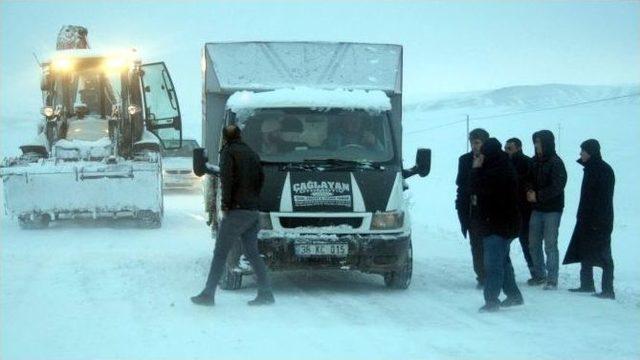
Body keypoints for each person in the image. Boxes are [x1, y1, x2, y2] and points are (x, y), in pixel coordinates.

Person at [191, 125, 275, 306]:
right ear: (240, 135)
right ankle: (266, 292)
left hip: (237, 211)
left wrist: (226, 205)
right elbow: (260, 179)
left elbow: (227, 180)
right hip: (253, 210)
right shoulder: (251, 153)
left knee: (220, 253)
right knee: (252, 253)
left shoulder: (229, 152)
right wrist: (252, 200)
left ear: (225, 138)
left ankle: (208, 294)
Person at [470, 138, 523, 312]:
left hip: (497, 225)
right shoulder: (502, 165)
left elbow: (481, 191)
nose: (480, 156)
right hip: (503, 224)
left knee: (493, 264)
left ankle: (491, 300)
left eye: (483, 153)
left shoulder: (496, 171)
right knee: (503, 261)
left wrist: (476, 170)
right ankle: (514, 295)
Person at [563, 139, 616, 299]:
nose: (580, 154)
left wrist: (596, 220)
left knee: (604, 255)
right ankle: (587, 284)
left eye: (583, 151)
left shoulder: (603, 170)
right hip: (587, 219)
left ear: (590, 152)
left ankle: (608, 290)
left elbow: (603, 199)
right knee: (585, 250)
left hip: (600, 220)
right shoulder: (591, 168)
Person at [527, 130, 567, 290]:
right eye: (535, 142)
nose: (537, 145)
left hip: (552, 209)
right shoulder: (533, 161)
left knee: (550, 244)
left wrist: (538, 195)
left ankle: (552, 279)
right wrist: (529, 190)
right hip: (536, 209)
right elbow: (528, 179)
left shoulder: (556, 162)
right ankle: (539, 275)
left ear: (547, 143)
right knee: (533, 243)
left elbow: (558, 186)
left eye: (539, 142)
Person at [456, 128, 490, 288]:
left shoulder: (493, 159)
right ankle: (482, 276)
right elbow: (461, 185)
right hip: (472, 209)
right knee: (476, 244)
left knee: (492, 244)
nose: (474, 146)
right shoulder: (465, 160)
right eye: (472, 142)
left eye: (477, 142)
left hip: (490, 209)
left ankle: (496, 274)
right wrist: (460, 205)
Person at [504, 138, 535, 280]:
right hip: (510, 207)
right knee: (504, 241)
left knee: (526, 242)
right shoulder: (504, 162)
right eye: (506, 148)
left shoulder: (526, 162)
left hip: (524, 208)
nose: (507, 150)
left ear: (518, 148)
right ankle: (506, 271)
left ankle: (534, 271)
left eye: (509, 148)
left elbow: (529, 182)